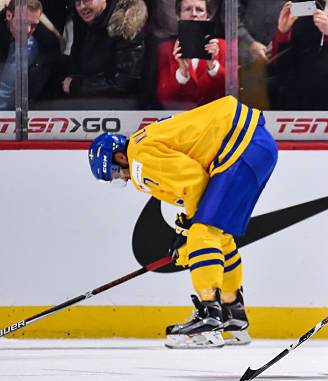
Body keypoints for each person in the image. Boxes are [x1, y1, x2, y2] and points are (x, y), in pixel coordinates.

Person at [87, 96, 278, 348]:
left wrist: (189, 231)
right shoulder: (144, 143)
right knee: (218, 235)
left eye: (115, 172)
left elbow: (193, 182)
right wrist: (186, 226)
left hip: (241, 145)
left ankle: (210, 315)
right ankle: (234, 314)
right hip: (256, 145)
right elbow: (192, 186)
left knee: (202, 232)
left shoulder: (139, 159)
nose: (121, 177)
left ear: (120, 158)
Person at [62, 0, 147, 108]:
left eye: (87, 0)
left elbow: (124, 82)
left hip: (121, 110)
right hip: (85, 104)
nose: (82, 6)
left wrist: (77, 86)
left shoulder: (126, 23)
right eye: (78, 2)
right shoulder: (80, 20)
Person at [156, 0, 225, 110]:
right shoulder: (165, 49)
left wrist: (212, 65)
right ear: (178, 16)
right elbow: (164, 98)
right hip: (181, 118)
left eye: (200, 10)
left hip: (214, 119)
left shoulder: (222, 46)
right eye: (188, 9)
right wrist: (183, 72)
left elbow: (229, 93)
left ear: (208, 16)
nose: (194, 14)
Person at [0, 0, 41, 110]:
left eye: (34, 25)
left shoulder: (32, 46)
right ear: (9, 15)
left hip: (11, 118)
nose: (28, 30)